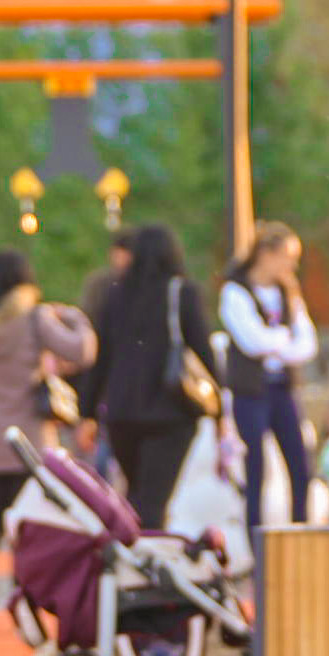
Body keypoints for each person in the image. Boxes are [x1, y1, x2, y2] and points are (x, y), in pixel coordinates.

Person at [0, 247, 96, 625]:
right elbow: (80, 351)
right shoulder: (34, 319)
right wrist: (74, 318)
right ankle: (23, 600)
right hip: (26, 442)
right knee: (27, 526)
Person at [80, 223, 221, 532]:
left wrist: (87, 412)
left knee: (136, 495)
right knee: (154, 501)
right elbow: (204, 352)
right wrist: (220, 404)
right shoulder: (182, 293)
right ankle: (145, 568)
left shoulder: (115, 295)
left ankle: (126, 562)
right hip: (169, 413)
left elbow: (101, 358)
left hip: (121, 413)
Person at [220, 222, 320, 536]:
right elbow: (252, 341)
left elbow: (307, 343)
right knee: (256, 470)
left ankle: (301, 531)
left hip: (282, 388)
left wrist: (277, 344)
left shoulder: (288, 293)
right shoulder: (235, 291)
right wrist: (281, 340)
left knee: (300, 464)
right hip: (251, 390)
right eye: (287, 257)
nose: (291, 266)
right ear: (266, 254)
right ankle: (255, 542)